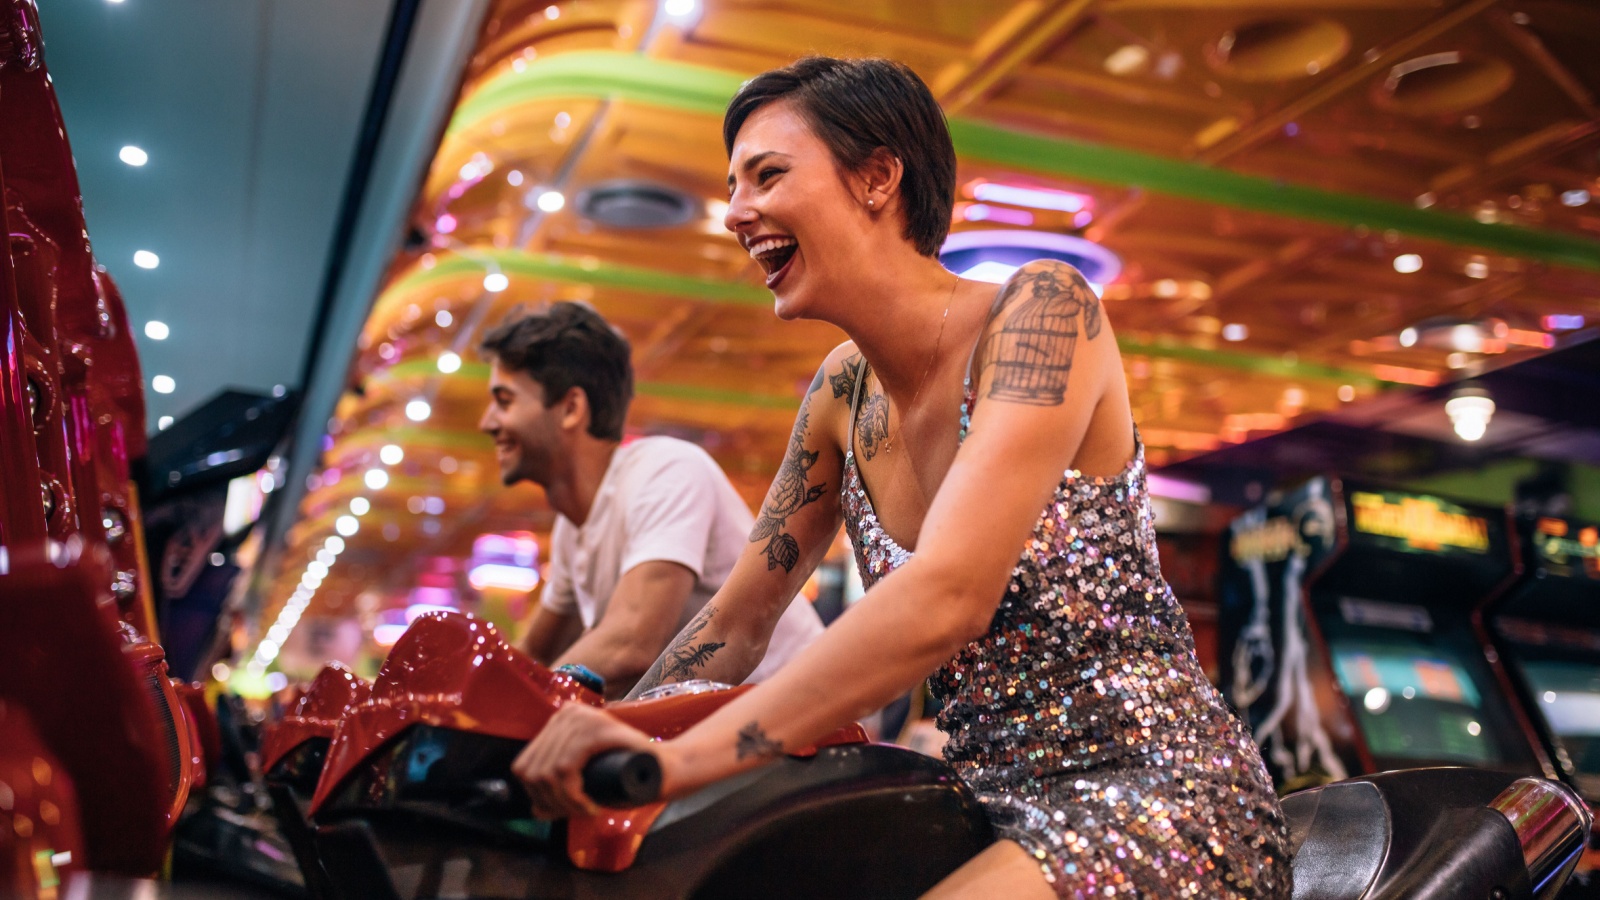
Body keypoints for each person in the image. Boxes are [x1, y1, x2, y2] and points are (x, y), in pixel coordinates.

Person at [511, 58, 1292, 898]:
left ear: (879, 176)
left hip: (1155, 795)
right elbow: (737, 624)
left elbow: (947, 597)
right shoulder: (840, 392)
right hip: (973, 803)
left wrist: (673, 763)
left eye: (768, 174)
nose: (738, 212)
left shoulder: (1043, 311)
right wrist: (599, 726)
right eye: (733, 185)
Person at [478, 302, 825, 699]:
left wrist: (517, 703)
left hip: (813, 727)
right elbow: (535, 656)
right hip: (727, 729)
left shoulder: (664, 469)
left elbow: (630, 645)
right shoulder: (571, 531)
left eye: (504, 401)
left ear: (571, 408)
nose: (486, 422)